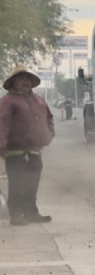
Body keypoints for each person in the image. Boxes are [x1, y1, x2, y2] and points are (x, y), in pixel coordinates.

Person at [0, 66, 55, 225]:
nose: (25, 81)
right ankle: (16, 214)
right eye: (22, 78)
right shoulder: (7, 101)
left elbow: (49, 118)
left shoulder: (38, 100)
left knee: (32, 184)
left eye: (28, 78)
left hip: (35, 151)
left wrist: (48, 135)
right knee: (17, 184)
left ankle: (31, 212)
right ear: (13, 82)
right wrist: (1, 146)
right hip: (15, 152)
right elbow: (1, 124)